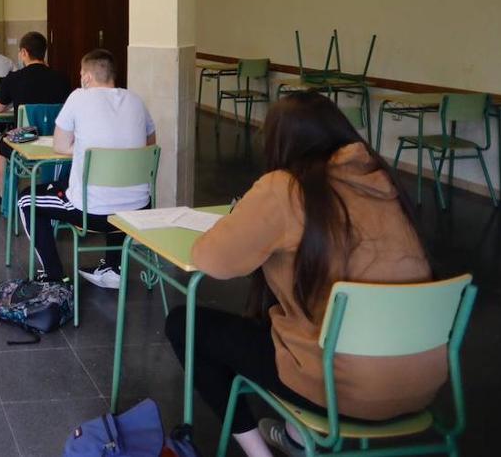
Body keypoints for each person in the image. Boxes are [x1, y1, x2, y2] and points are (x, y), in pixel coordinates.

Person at [168, 93, 439, 457]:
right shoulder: (385, 183)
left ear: (282, 142)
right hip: (422, 381)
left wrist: (240, 218)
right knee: (294, 315)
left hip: (340, 384)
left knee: (185, 324)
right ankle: (296, 435)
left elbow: (212, 259)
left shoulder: (286, 187)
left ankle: (258, 452)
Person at [15, 49, 154, 286]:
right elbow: (150, 144)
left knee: (27, 200)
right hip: (137, 209)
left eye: (81, 73)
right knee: (119, 188)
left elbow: (60, 145)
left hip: (92, 212)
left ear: (86, 77)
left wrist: (85, 151)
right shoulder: (135, 100)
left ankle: (54, 276)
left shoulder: (79, 97)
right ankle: (113, 268)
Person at [0, 31, 72, 197]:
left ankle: (4, 194)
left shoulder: (13, 78)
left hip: (26, 140)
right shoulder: (62, 78)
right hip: (56, 139)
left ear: (24, 53)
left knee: (1, 143)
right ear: (44, 53)